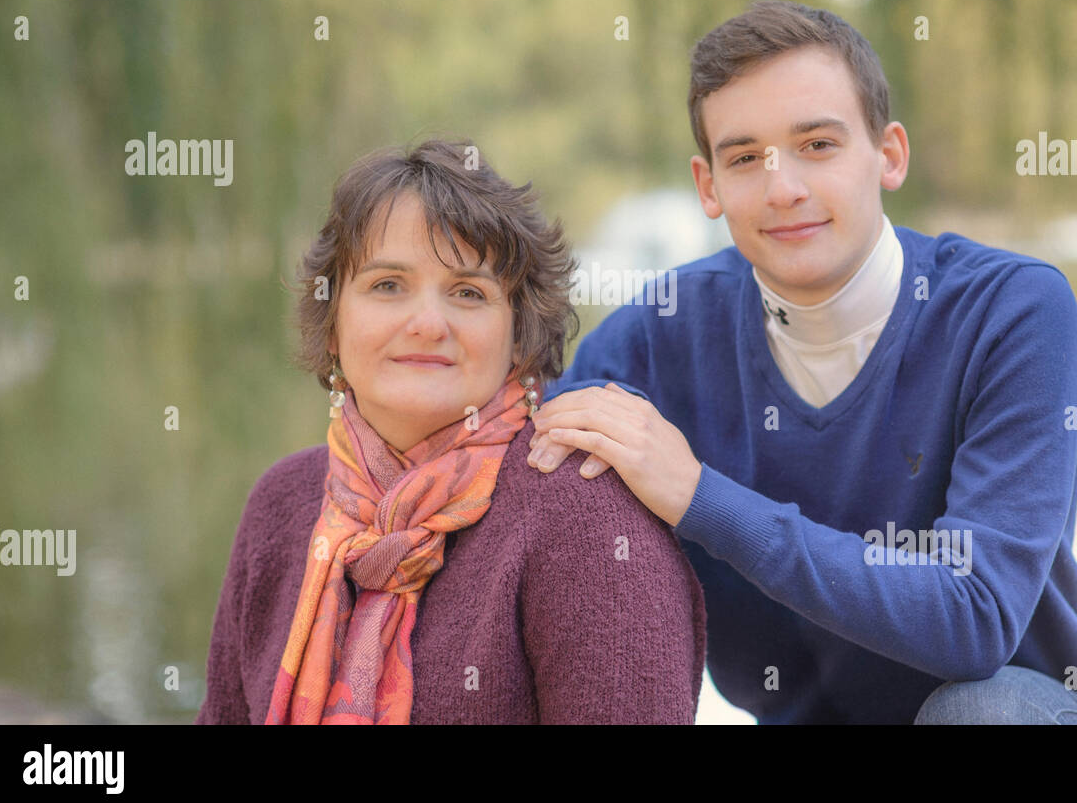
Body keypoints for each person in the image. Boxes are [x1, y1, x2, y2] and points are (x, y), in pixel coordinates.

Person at [526, 0, 1077, 724]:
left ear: (889, 154)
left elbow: (976, 621)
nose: (784, 188)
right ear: (708, 185)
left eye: (818, 144)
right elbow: (519, 473)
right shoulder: (660, 334)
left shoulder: (1013, 310)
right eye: (746, 157)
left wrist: (699, 496)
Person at [195, 139, 705, 724]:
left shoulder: (585, 512)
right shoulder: (282, 503)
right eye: (388, 285)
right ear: (333, 322)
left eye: (468, 293)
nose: (427, 323)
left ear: (519, 336)